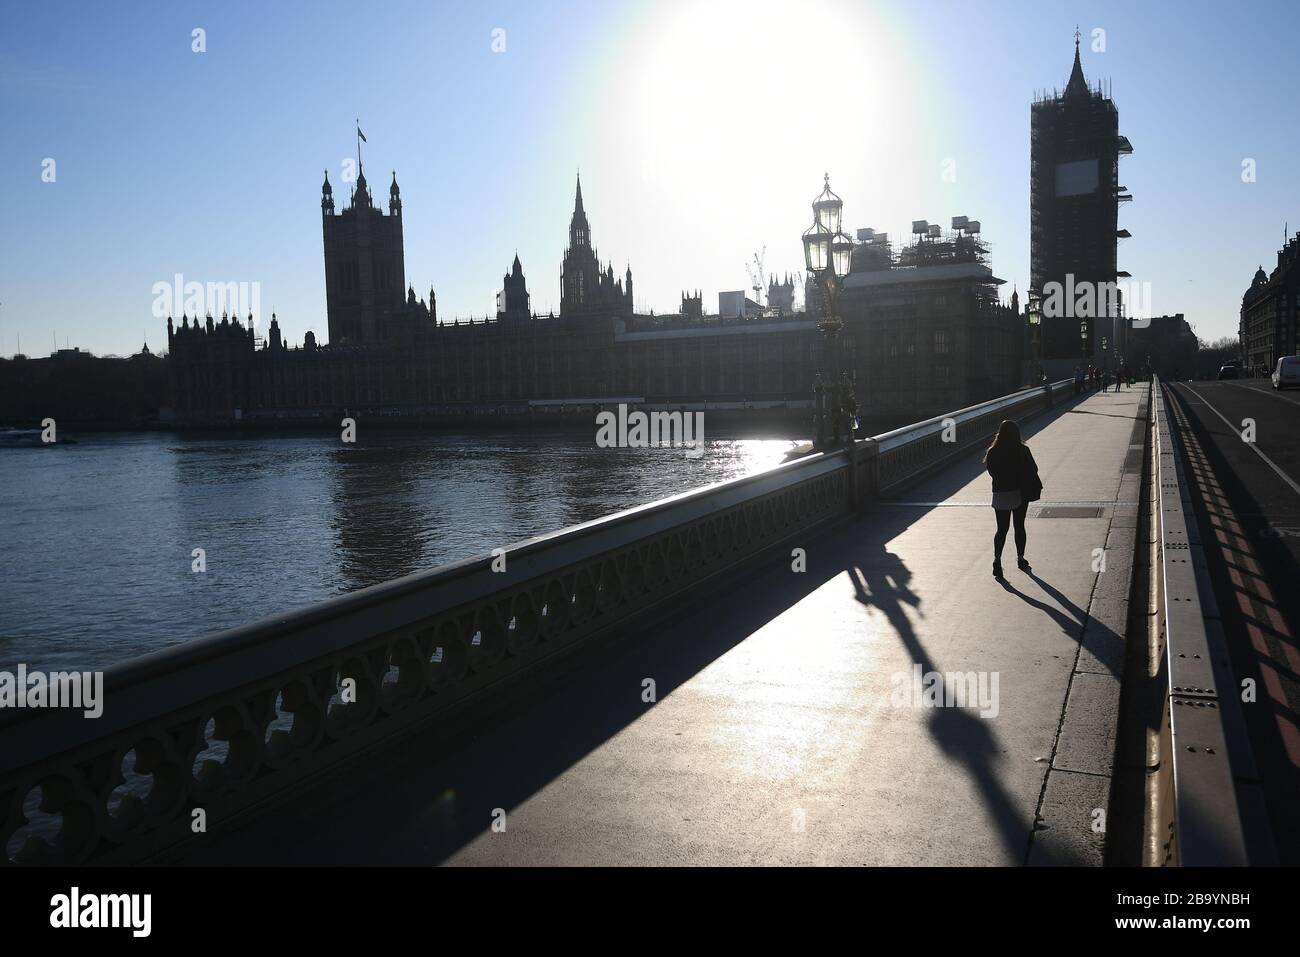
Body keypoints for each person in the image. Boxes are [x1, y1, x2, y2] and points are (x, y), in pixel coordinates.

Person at [984, 419, 1041, 579]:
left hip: (1000, 493)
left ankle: (997, 559)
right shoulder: (1022, 450)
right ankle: (1021, 558)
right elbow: (1034, 469)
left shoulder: (992, 451)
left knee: (1001, 529)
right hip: (1019, 492)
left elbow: (992, 472)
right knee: (1019, 526)